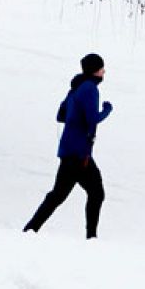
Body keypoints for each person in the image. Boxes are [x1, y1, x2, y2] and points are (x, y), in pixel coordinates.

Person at [23, 52, 113, 238]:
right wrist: (107, 110)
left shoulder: (76, 88)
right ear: (95, 70)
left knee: (58, 195)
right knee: (96, 193)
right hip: (80, 154)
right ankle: (91, 238)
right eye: (102, 68)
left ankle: (30, 230)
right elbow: (92, 119)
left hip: (68, 150)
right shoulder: (89, 89)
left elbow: (61, 115)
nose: (104, 71)